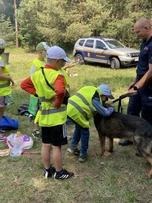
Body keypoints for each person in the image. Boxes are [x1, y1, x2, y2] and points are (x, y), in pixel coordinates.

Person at [20, 46, 74, 180]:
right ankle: (59, 172)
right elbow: (61, 92)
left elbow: (24, 85)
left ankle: (47, 170)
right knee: (56, 146)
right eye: (63, 61)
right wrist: (56, 102)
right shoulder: (58, 75)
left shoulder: (38, 74)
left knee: (45, 144)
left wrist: (38, 94)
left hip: (44, 116)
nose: (64, 64)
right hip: (57, 118)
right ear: (56, 61)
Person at [119, 17, 152, 146]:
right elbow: (142, 66)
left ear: (146, 28)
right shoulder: (145, 43)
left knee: (147, 116)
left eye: (138, 32)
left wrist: (137, 86)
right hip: (140, 83)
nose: (137, 35)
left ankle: (150, 144)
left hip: (149, 86)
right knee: (132, 111)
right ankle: (130, 138)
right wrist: (135, 82)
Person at [67, 84, 115, 162]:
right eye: (106, 97)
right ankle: (83, 154)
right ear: (102, 95)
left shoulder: (90, 90)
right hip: (77, 112)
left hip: (69, 108)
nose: (106, 100)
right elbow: (105, 113)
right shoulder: (96, 98)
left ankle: (72, 147)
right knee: (85, 131)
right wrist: (111, 107)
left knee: (79, 127)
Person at [28, 42, 50, 138]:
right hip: (36, 94)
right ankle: (36, 129)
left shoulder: (47, 62)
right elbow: (32, 79)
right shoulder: (35, 64)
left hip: (45, 92)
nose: (48, 53)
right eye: (46, 51)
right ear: (41, 52)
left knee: (44, 109)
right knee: (36, 111)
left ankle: (45, 127)